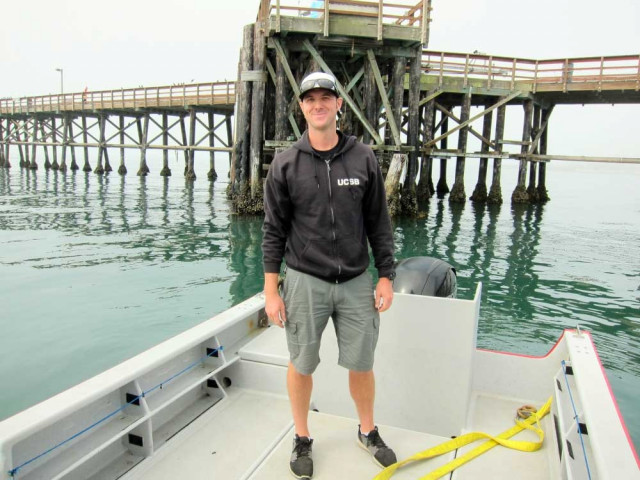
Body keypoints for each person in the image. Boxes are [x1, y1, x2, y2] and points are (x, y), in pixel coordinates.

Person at [262, 71, 397, 479]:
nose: (318, 104)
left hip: (357, 280)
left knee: (362, 362)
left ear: (339, 104)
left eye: (326, 97)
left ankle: (368, 431)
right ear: (301, 107)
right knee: (301, 362)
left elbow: (379, 222)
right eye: (310, 98)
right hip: (304, 280)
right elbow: (273, 231)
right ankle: (302, 437)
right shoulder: (285, 164)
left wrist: (386, 275)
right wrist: (272, 290)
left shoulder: (364, 158)